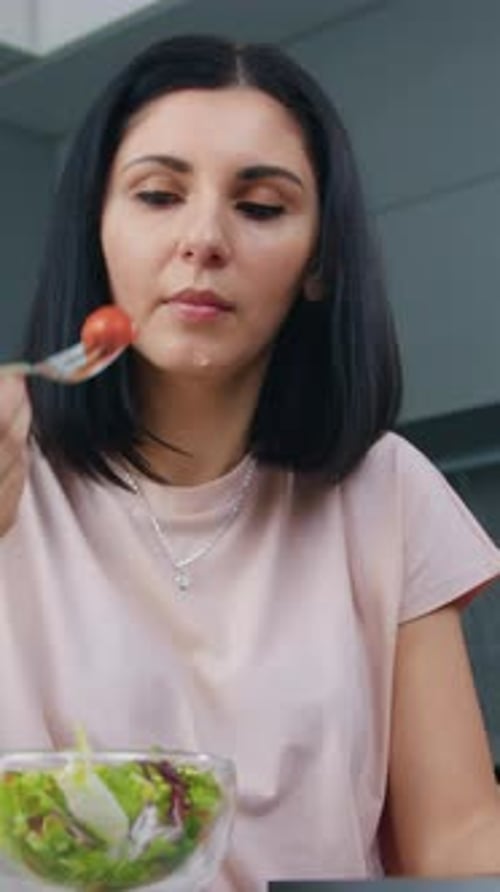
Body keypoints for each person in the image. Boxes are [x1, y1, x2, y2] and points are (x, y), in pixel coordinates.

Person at [1, 32, 500, 891]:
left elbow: (454, 837)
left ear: (318, 264)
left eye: (261, 208)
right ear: (99, 230)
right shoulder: (12, 471)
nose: (203, 239)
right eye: (158, 195)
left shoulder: (388, 491)